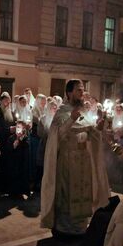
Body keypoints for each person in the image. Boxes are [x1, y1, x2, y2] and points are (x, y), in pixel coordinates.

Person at [41, 80, 109, 238]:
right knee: (67, 194)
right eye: (79, 90)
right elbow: (57, 136)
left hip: (83, 161)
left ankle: (80, 228)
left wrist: (98, 129)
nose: (82, 93)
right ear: (69, 93)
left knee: (84, 193)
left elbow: (91, 134)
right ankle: (64, 229)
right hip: (67, 161)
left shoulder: (84, 111)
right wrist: (71, 119)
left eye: (83, 90)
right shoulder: (62, 111)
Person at [36, 99, 58, 190]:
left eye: (56, 108)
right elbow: (40, 133)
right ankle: (39, 184)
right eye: (53, 108)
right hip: (45, 144)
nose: (54, 109)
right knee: (42, 164)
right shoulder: (43, 118)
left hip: (54, 145)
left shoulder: (58, 119)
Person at [5, 121, 31, 198]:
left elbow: (27, 147)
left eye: (19, 127)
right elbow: (8, 149)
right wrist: (13, 146)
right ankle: (13, 192)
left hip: (22, 161)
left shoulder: (25, 138)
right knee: (14, 176)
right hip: (14, 161)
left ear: (23, 129)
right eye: (17, 127)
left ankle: (22, 192)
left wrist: (21, 139)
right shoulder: (11, 137)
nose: (17, 129)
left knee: (22, 176)